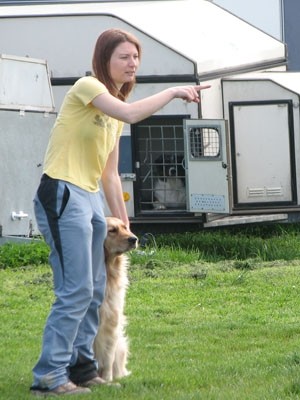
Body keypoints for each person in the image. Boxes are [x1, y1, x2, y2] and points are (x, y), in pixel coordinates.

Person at [30, 28, 210, 396]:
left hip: (90, 195)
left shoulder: (109, 112)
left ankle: (82, 369)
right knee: (76, 288)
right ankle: (49, 375)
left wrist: (121, 216)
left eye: (135, 57)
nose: (133, 63)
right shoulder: (87, 88)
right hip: (62, 190)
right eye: (124, 57)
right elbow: (129, 113)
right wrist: (174, 91)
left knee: (96, 289)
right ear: (104, 61)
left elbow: (110, 173)